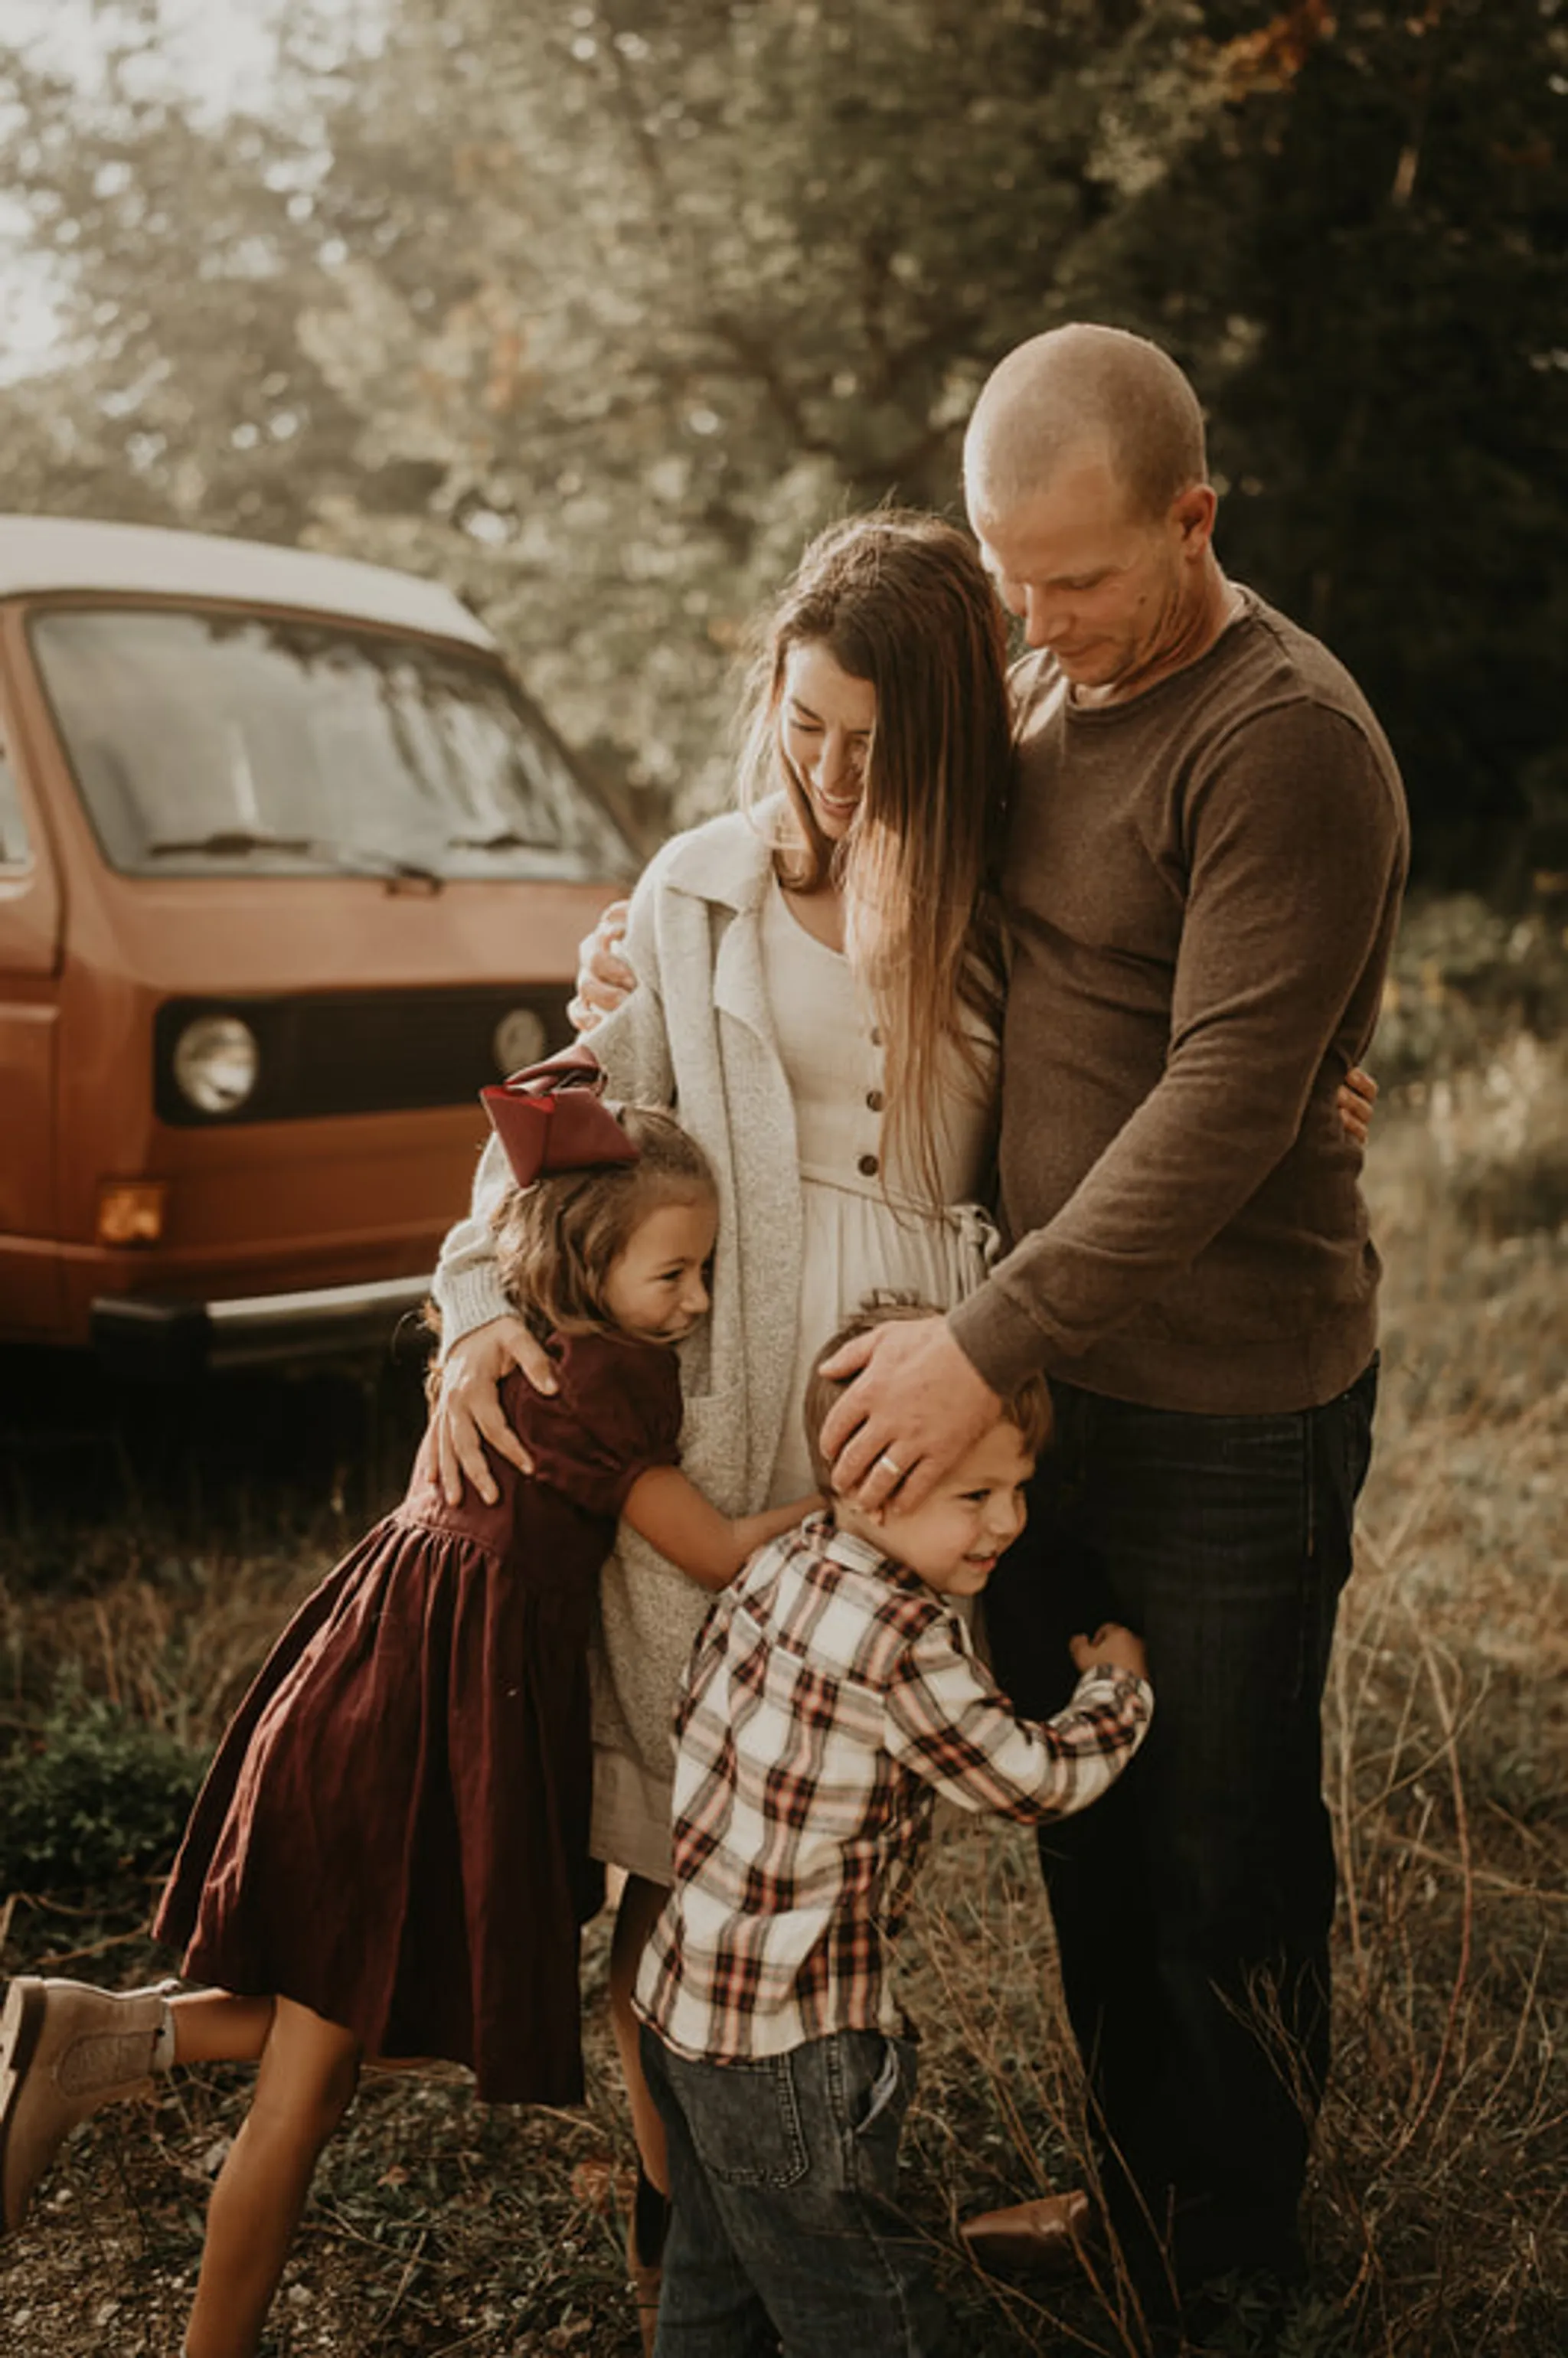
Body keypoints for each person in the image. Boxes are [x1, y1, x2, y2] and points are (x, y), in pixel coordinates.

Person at [815, 325, 1410, 2322]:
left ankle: (1245, 2277)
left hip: (1234, 1413)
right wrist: (669, 919)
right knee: (1093, 1822)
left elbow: (1224, 1112)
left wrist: (978, 1340)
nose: (1039, 621)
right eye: (1009, 575)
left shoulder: (1285, 742)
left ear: (1195, 520)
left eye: (1077, 576)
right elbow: (843, 851)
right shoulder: (1032, 695)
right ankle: (1137, 2212)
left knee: (1225, 1863)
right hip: (1059, 1403)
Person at [429, 511, 1019, 2340]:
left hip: (907, 1434)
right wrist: (469, 1307)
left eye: (873, 739)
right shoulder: (694, 891)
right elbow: (567, 1132)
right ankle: (697, 2248)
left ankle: (781, 2217)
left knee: (819, 1858)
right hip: (720, 1408)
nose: (831, 775)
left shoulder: (1020, 889)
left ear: (947, 731)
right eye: (804, 725)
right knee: (676, 1844)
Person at [0, 1067, 815, 2358]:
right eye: (676, 1277)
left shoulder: (516, 1347)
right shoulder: (612, 1388)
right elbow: (711, 1550)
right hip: (427, 1724)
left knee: (387, 2013)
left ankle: (92, 2034)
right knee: (315, 2081)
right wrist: (844, 1514)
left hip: (368, 1679)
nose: (700, 1301)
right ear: (591, 1261)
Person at [635, 1301, 1153, 2356]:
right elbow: (1031, 1781)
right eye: (976, 1495)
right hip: (793, 2043)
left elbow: (693, 1720)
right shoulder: (904, 1637)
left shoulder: (779, 1568)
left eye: (1017, 1489)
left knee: (715, 2281)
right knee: (862, 2305)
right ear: (869, 1476)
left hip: (683, 2013)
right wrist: (1116, 1691)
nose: (1007, 1522)